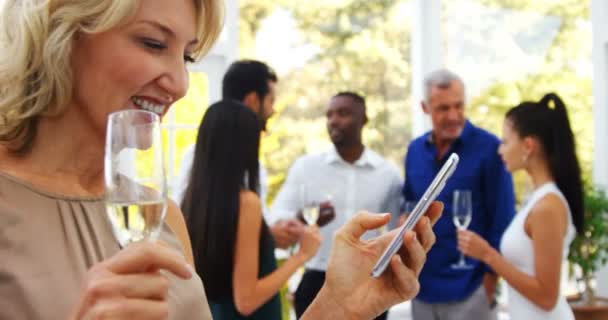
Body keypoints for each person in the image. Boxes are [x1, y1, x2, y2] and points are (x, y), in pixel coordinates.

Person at [0, 0, 442, 319]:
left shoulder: (162, 217)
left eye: (188, 56)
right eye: (153, 42)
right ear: (62, 34)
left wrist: (339, 306)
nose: (179, 82)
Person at [181, 100, 322, 319]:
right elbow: (246, 300)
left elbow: (227, 257)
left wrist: (268, 236)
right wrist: (302, 255)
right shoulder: (247, 202)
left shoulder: (193, 201)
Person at [270, 92, 403, 319]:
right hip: (316, 281)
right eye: (329, 114)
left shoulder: (388, 174)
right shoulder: (306, 168)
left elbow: (396, 231)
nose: (333, 120)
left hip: (368, 282)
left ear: (364, 120)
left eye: (343, 113)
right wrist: (303, 218)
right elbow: (276, 217)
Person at [403, 69, 515, 320]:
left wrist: (489, 283)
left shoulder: (490, 149)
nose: (454, 116)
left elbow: (503, 218)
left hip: (471, 290)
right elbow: (408, 205)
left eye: (459, 106)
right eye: (443, 108)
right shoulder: (414, 151)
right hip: (422, 289)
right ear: (425, 107)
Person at [458, 93, 582, 319]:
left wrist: (488, 255)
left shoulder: (548, 206)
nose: (500, 150)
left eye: (505, 141)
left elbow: (546, 296)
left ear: (528, 145)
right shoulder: (536, 199)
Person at [172, 60, 304, 249]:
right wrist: (270, 239)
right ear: (253, 100)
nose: (273, 110)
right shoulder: (199, 156)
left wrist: (275, 230)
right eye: (271, 101)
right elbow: (193, 226)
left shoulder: (254, 164)